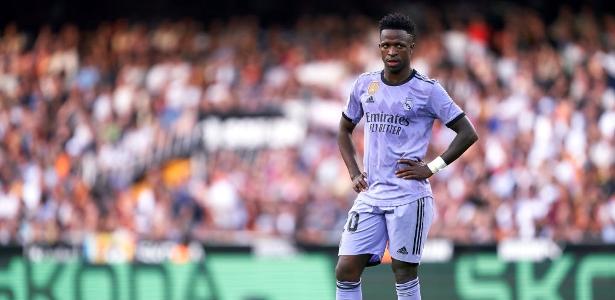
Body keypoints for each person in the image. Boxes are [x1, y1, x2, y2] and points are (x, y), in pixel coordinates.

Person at [335, 13, 479, 300]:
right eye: (385, 45)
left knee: (403, 273)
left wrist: (432, 167)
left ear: (411, 47)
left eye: (399, 46)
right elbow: (344, 129)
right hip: (372, 194)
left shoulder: (428, 90)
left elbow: (467, 132)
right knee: (345, 270)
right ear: (379, 47)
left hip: (408, 196)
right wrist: (353, 172)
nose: (391, 51)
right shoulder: (365, 85)